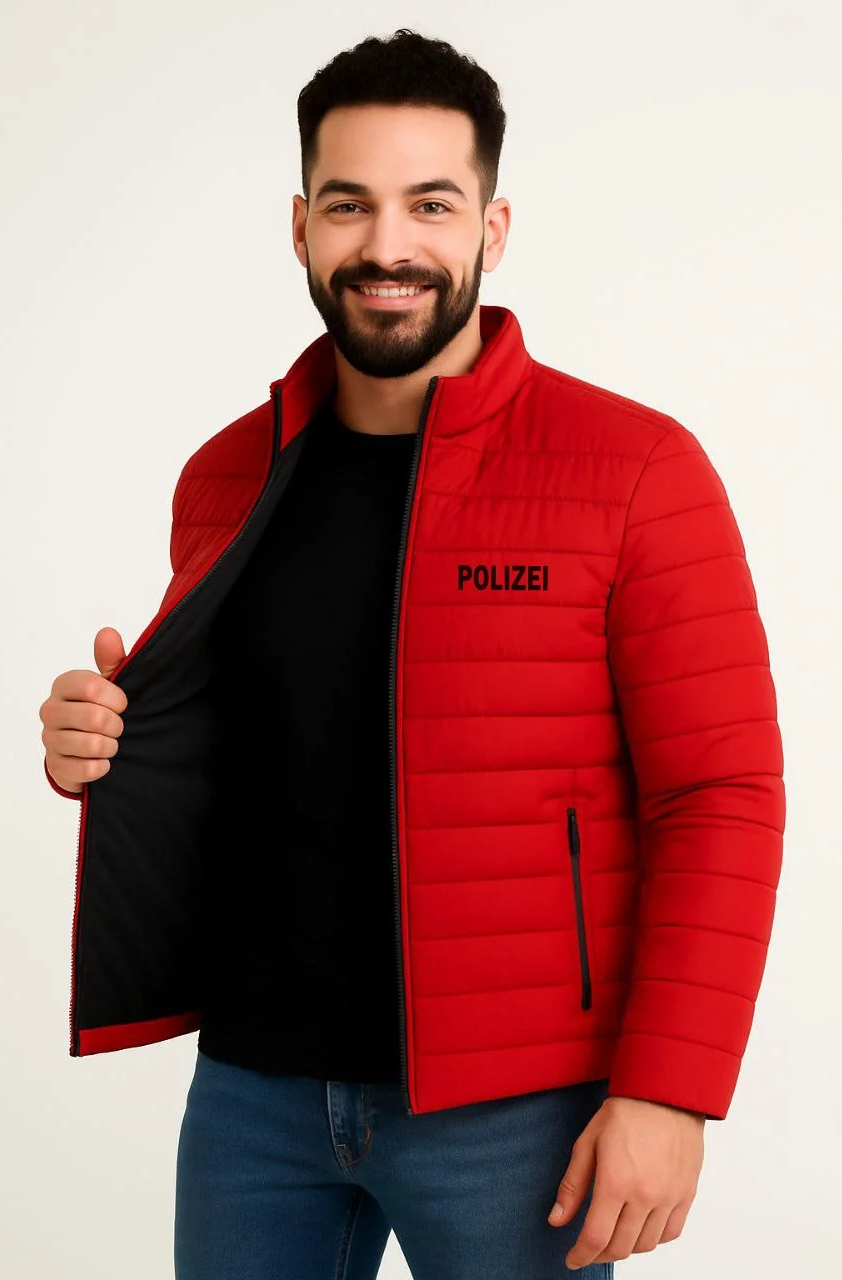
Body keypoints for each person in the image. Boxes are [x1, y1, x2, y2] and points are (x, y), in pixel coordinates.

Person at [39, 27, 786, 1280]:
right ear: (300, 228)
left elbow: (720, 795)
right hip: (252, 1096)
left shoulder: (634, 470)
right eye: (349, 204)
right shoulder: (226, 473)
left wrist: (670, 1088)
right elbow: (247, 751)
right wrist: (100, 746)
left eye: (429, 204)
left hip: (517, 1113)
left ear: (492, 228)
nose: (387, 244)